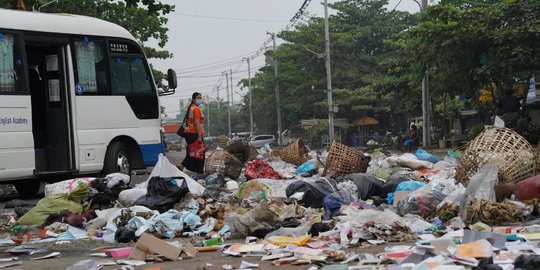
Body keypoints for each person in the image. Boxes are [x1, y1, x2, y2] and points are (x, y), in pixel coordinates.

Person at [180, 92, 206, 174]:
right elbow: (196, 123)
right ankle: (198, 171)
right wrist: (199, 136)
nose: (200, 99)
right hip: (194, 133)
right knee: (200, 152)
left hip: (189, 133)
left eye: (200, 97)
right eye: (198, 98)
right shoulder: (196, 109)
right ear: (194, 99)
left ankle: (182, 166)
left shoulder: (191, 108)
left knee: (191, 152)